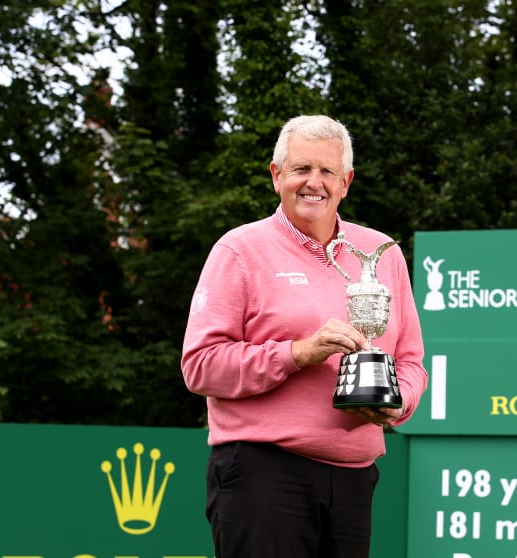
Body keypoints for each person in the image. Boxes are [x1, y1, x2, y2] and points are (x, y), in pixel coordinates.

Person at [181, 114, 428, 558]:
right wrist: (298, 353)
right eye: (300, 169)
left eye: (327, 171)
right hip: (264, 473)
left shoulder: (382, 254)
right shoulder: (239, 250)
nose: (314, 182)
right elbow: (200, 366)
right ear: (277, 176)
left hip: (354, 477)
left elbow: (410, 362)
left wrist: (396, 403)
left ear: (346, 182)